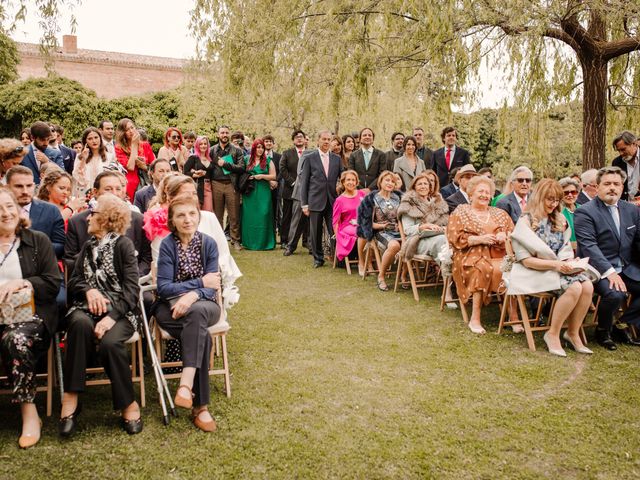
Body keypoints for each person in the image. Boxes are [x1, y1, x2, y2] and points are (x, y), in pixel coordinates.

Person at [60, 193, 142, 437]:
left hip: (120, 311)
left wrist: (110, 317)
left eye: (92, 214)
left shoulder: (123, 245)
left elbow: (132, 291)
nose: (87, 218)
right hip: (85, 309)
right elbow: (74, 281)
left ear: (105, 219)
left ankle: (128, 403)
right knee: (78, 324)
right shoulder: (87, 247)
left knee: (109, 342)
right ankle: (71, 397)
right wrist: (90, 290)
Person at [153, 194, 222, 432]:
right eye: (181, 215)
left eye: (192, 214)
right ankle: (200, 408)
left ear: (198, 216)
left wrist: (193, 295)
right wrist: (198, 284)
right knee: (200, 334)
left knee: (197, 313)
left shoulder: (208, 244)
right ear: (172, 220)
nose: (187, 219)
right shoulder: (168, 245)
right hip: (171, 310)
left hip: (205, 306)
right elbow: (163, 288)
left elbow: (213, 287)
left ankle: (185, 383)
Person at [0, 187, 60, 448]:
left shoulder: (36, 240)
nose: (5, 214)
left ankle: (29, 412)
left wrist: (23, 282)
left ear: (18, 209)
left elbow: (52, 284)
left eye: (9, 207)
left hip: (31, 316)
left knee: (15, 339)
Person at [509, 179, 594, 356]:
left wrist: (571, 262)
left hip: (557, 269)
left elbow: (563, 250)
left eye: (557, 200)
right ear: (539, 198)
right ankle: (552, 334)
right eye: (550, 199)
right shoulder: (525, 221)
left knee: (587, 286)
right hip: (533, 271)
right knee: (575, 287)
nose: (554, 204)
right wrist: (556, 265)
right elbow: (526, 261)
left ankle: (572, 333)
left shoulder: (558, 219)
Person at [574, 166, 640, 350]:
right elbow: (589, 247)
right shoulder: (585, 212)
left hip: (626, 267)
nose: (612, 187)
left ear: (622, 186)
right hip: (596, 269)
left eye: (616, 184)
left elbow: (638, 242)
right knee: (615, 293)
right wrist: (609, 272)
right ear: (597, 186)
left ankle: (622, 324)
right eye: (607, 184)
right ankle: (603, 330)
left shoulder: (631, 210)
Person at [447, 175, 514, 334]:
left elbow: (512, 232)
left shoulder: (499, 213)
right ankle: (475, 318)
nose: (485, 194)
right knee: (481, 268)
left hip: (499, 254)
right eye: (481, 191)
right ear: (471, 194)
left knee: (513, 269)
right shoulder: (461, 211)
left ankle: (513, 315)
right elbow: (454, 237)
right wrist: (479, 239)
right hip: (468, 254)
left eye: (488, 192)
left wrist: (503, 235)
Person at [64, 171, 151, 277]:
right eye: (108, 189)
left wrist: (134, 275)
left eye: (118, 189)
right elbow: (70, 261)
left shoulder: (138, 219)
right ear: (95, 192)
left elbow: (147, 258)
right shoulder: (78, 222)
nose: (114, 193)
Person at [300, 130, 343, 267]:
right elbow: (304, 182)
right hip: (315, 201)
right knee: (316, 232)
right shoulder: (309, 158)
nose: (326, 142)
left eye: (328, 139)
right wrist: (304, 204)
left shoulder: (337, 159)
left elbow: (342, 178)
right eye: (323, 139)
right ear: (318, 140)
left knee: (334, 230)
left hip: (332, 201)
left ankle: (338, 257)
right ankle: (318, 258)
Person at [6, 166, 65, 259]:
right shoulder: (2, 213)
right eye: (19, 186)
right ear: (7, 187)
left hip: (39, 268)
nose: (25, 191)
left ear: (34, 185)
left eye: (29, 186)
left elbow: (61, 246)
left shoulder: (50, 211)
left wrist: (33, 249)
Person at [398, 172, 449, 263]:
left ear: (430, 187)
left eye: (425, 184)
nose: (423, 186)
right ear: (414, 187)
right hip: (417, 241)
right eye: (419, 184)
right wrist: (424, 226)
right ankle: (446, 270)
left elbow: (446, 223)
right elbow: (408, 230)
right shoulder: (409, 203)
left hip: (438, 234)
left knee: (452, 240)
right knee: (442, 240)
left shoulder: (438, 203)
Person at [209, 126, 246, 251]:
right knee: (217, 215)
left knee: (234, 214)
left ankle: (235, 240)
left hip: (231, 184)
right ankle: (219, 241)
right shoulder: (212, 150)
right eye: (222, 132)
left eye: (226, 132)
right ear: (218, 134)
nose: (224, 134)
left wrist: (225, 164)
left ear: (229, 134)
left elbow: (241, 167)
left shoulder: (236, 150)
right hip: (216, 184)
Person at [241, 139, 277, 250]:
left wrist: (262, 176)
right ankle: (249, 242)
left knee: (264, 214)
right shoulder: (246, 159)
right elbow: (240, 173)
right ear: (254, 148)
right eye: (258, 147)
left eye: (262, 147)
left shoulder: (268, 161)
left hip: (263, 191)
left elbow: (274, 176)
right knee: (249, 216)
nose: (260, 149)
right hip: (249, 191)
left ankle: (265, 243)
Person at [369, 171, 402, 290]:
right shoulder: (373, 199)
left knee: (412, 242)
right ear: (380, 182)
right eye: (387, 180)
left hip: (400, 231)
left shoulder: (397, 197)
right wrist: (381, 226)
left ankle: (403, 275)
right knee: (394, 246)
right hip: (381, 231)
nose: (390, 183)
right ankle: (381, 276)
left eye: (393, 181)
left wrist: (400, 224)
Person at [114, 118, 156, 202]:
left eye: (132, 127)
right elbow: (130, 167)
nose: (130, 131)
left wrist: (144, 166)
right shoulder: (119, 148)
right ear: (122, 133)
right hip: (130, 184)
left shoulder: (145, 145)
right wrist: (134, 145)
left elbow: (155, 165)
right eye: (127, 130)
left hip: (146, 182)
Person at [280, 130, 308, 253]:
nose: (299, 139)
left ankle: (306, 241)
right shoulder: (287, 153)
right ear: (293, 140)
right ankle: (285, 241)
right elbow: (282, 169)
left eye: (301, 137)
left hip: (306, 192)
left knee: (306, 218)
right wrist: (293, 182)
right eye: (297, 137)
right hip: (290, 190)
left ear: (305, 139)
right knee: (288, 217)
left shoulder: (310, 153)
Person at [72, 126, 119, 199]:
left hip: (104, 194)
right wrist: (84, 159)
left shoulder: (109, 156)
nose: (94, 141)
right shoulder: (79, 156)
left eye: (96, 137)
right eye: (90, 139)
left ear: (100, 138)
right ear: (85, 142)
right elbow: (77, 178)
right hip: (85, 194)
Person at [332, 170, 366, 264]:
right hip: (347, 226)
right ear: (343, 182)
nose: (351, 182)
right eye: (348, 180)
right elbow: (335, 221)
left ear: (356, 182)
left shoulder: (362, 194)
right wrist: (338, 238)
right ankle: (363, 263)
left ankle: (371, 262)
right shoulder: (339, 200)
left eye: (353, 180)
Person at [184, 136, 215, 212]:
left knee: (208, 211)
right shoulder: (193, 158)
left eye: (205, 144)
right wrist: (195, 174)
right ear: (197, 145)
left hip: (209, 188)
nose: (203, 146)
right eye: (201, 144)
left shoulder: (210, 158)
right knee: (197, 211)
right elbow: (185, 172)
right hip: (198, 187)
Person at [611, 131, 640, 202]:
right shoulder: (617, 162)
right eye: (618, 150)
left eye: (623, 149)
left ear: (634, 144)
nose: (621, 153)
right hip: (626, 205)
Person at [559, 177, 581, 249]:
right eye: (566, 193)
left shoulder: (583, 209)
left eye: (573, 192)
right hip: (566, 251)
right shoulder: (558, 211)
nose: (570, 195)